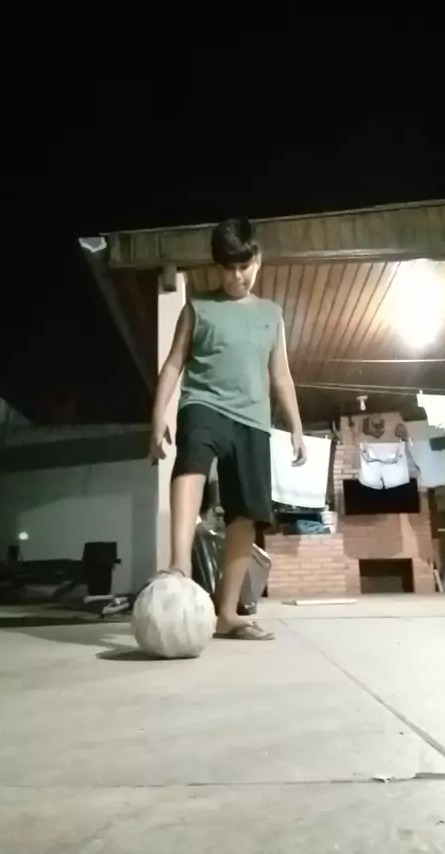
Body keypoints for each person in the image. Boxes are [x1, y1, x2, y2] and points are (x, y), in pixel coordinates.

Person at [149, 217, 306, 640]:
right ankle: (179, 564)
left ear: (258, 259)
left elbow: (281, 375)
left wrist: (295, 425)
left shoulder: (271, 315)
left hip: (253, 418)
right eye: (228, 268)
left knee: (246, 513)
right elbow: (173, 364)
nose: (237, 276)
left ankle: (227, 613)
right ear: (217, 268)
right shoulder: (198, 308)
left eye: (244, 266)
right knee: (192, 464)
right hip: (203, 403)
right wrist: (158, 415)